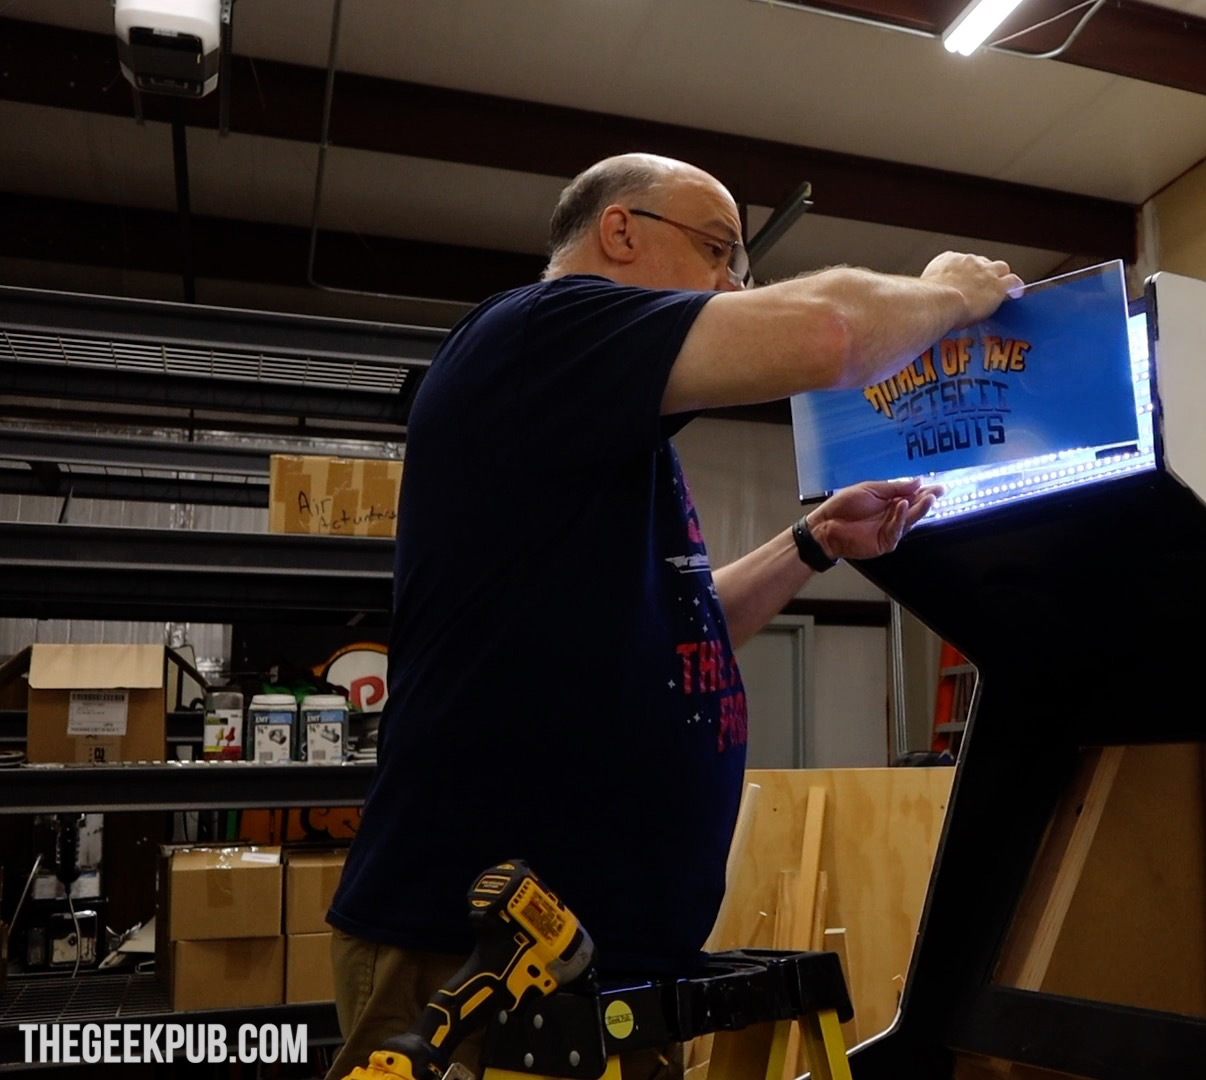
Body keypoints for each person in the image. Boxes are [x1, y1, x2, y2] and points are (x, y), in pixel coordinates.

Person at [322, 151, 1023, 1079]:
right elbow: (831, 331)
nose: (732, 284)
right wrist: (950, 293)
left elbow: (681, 632)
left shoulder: (602, 432)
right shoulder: (541, 330)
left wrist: (812, 542)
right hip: (476, 956)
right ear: (619, 229)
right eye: (718, 250)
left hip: (597, 960)